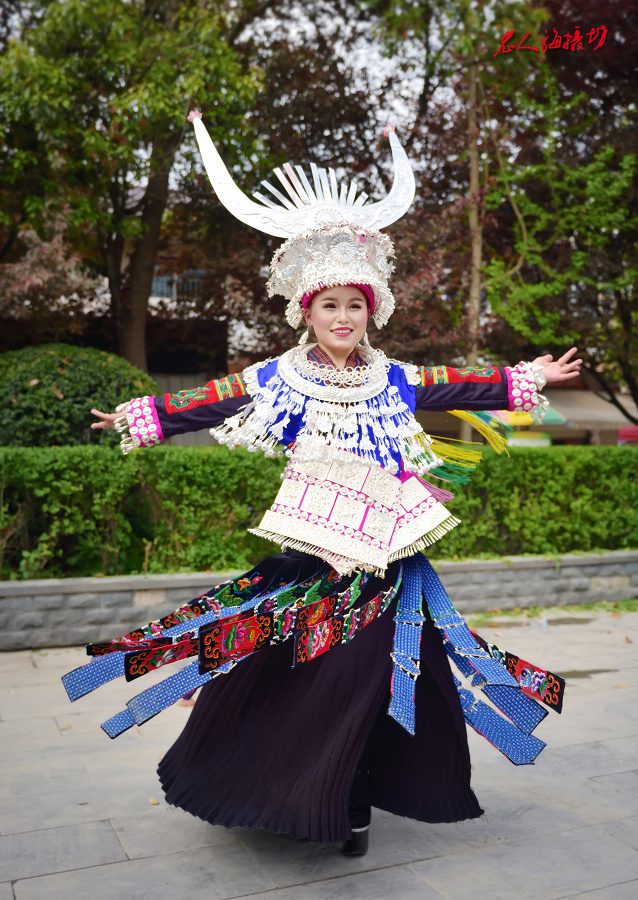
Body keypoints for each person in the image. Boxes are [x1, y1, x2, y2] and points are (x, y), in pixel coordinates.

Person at [64, 115, 581, 857]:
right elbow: (207, 399)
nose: (344, 317)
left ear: (373, 310)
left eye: (356, 304)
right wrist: (142, 412)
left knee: (377, 682)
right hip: (314, 557)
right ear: (305, 311)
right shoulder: (280, 376)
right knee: (302, 680)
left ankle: (355, 800)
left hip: (387, 559)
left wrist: (524, 379)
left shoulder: (392, 377)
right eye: (330, 305)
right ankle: (278, 784)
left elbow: (457, 382)